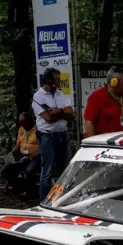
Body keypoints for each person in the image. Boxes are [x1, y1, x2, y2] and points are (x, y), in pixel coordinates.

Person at [32, 68, 76, 201]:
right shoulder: (38, 97)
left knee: (65, 170)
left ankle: (62, 199)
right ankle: (44, 201)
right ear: (49, 80)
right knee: (47, 171)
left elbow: (72, 114)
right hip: (47, 137)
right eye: (57, 78)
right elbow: (48, 118)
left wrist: (59, 111)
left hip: (63, 135)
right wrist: (64, 113)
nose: (60, 81)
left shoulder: (61, 95)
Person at [83, 66, 123, 138]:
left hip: (122, 143)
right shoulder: (97, 97)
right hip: (104, 144)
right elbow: (89, 123)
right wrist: (96, 144)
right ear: (114, 82)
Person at [0, 112, 41, 196]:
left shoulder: (38, 130)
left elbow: (43, 148)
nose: (21, 124)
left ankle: (31, 192)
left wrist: (30, 157)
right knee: (5, 170)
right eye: (20, 122)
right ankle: (20, 187)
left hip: (35, 158)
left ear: (30, 121)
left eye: (23, 122)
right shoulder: (21, 129)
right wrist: (10, 155)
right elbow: (18, 146)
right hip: (22, 157)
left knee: (29, 172)